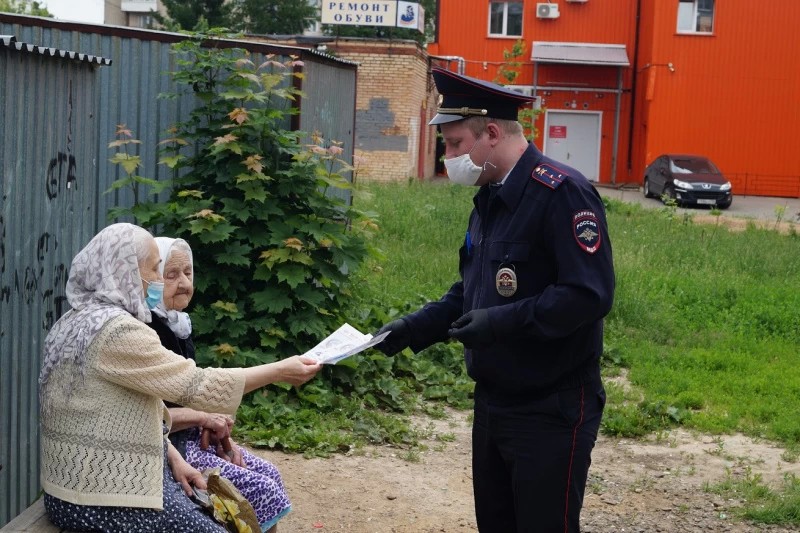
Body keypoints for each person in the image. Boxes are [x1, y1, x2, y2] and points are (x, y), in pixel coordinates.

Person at [374, 67, 615, 532]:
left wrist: (502, 323)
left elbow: (588, 295)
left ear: (490, 132)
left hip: (551, 404)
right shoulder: (488, 198)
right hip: (493, 402)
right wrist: (414, 328)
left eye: (455, 143)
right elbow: (473, 290)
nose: (449, 157)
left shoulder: (561, 193)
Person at [39, 223, 322, 533]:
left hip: (71, 487)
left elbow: (128, 412)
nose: (160, 281)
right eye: (155, 270)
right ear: (126, 272)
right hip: (101, 498)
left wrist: (173, 458)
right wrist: (281, 371)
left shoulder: (76, 319)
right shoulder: (117, 331)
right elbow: (196, 385)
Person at [149, 236, 291, 533]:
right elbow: (152, 415)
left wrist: (216, 424)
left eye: (188, 273)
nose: (184, 282)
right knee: (260, 489)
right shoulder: (148, 332)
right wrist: (204, 417)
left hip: (193, 438)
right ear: (151, 279)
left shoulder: (179, 325)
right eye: (171, 275)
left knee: (269, 474)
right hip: (171, 449)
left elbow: (190, 392)